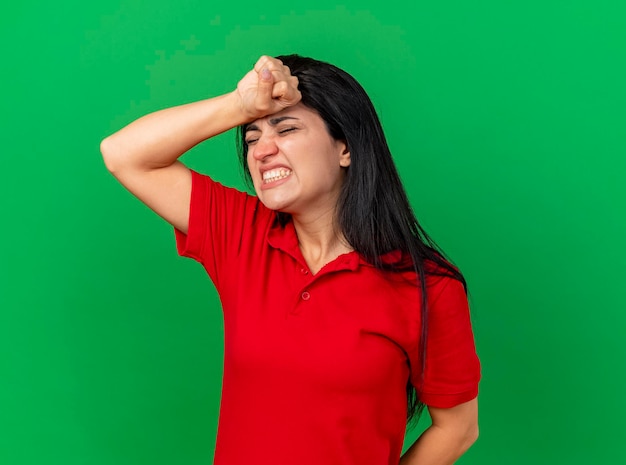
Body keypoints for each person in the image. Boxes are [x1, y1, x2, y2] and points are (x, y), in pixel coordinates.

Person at [101, 54, 481, 465]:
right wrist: (241, 106)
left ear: (345, 148)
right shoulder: (243, 234)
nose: (262, 151)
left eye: (286, 128)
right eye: (251, 138)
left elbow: (457, 428)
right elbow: (123, 153)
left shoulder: (427, 285)